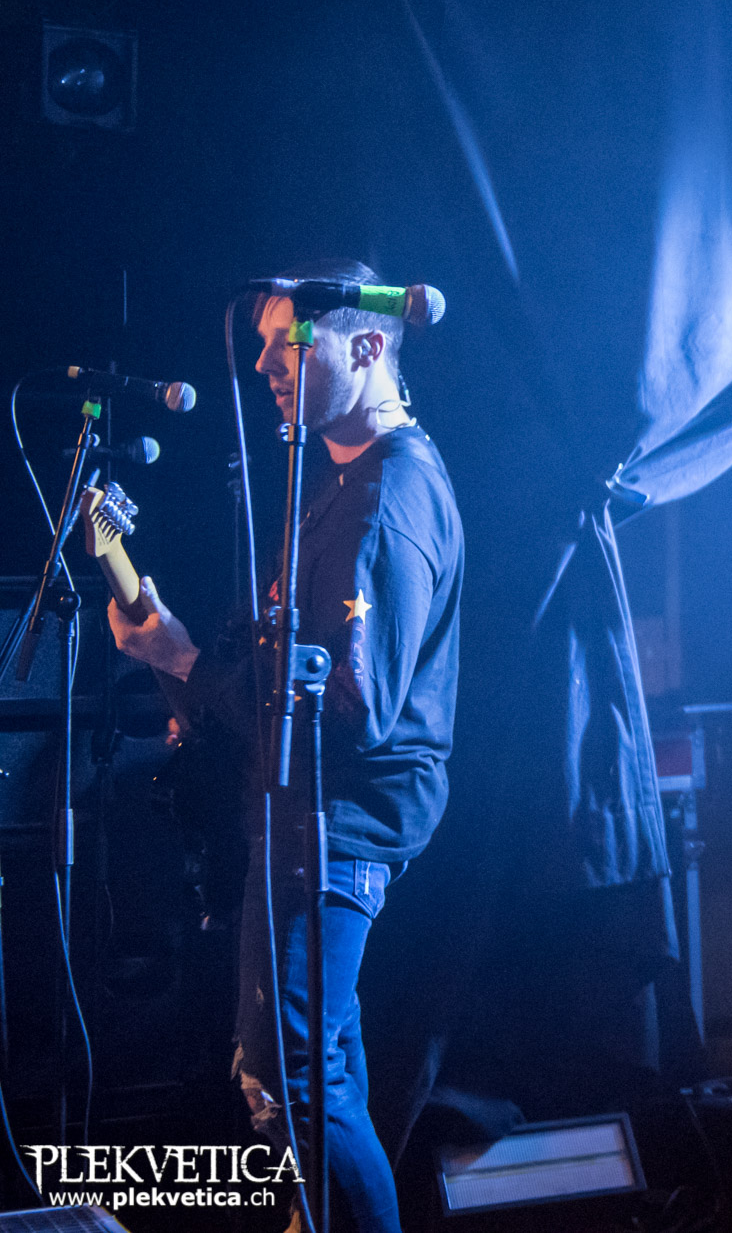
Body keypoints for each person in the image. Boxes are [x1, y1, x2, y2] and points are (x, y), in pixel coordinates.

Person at [110, 260, 463, 1233]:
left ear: (368, 344)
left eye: (289, 343)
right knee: (312, 1071)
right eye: (263, 343)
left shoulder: (387, 496)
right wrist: (192, 669)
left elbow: (350, 705)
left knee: (288, 1076)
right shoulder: (344, 483)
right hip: (309, 819)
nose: (265, 362)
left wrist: (185, 663)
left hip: (335, 826)